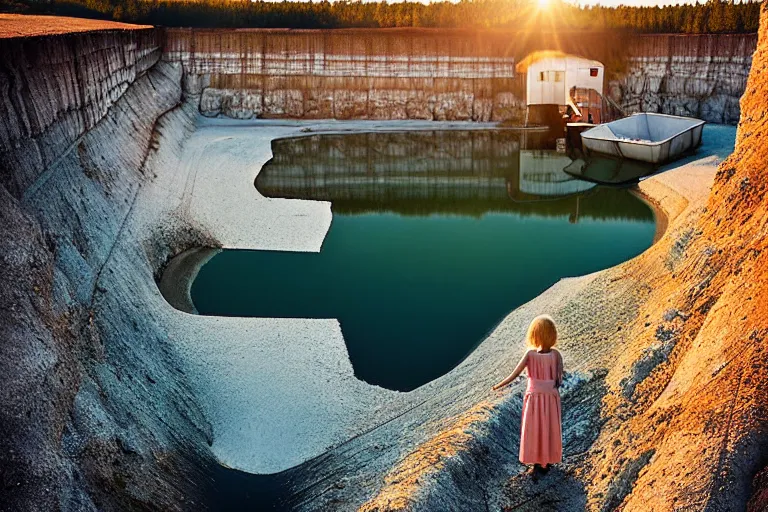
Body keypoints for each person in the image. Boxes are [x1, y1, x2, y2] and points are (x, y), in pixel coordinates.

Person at [492, 315, 563, 476]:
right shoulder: (556, 355)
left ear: (534, 335)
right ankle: (547, 460)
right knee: (549, 426)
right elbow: (559, 378)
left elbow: (514, 374)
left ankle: (537, 461)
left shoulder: (530, 354)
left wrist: (498, 386)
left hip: (534, 397)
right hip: (551, 397)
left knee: (534, 428)